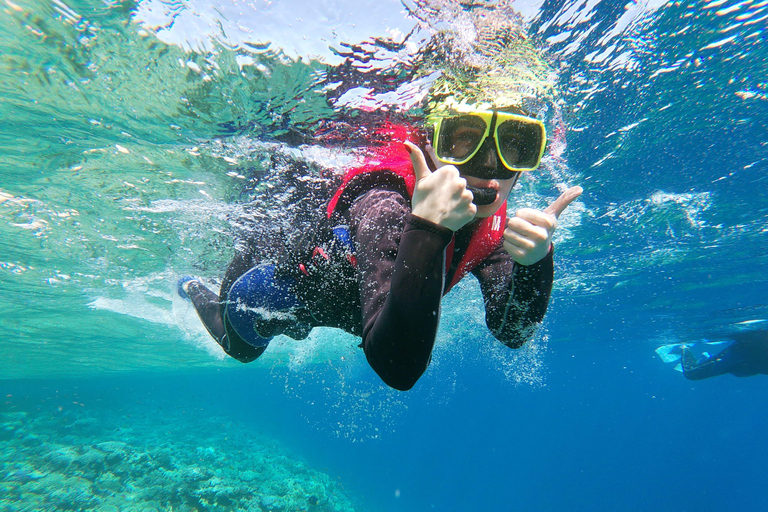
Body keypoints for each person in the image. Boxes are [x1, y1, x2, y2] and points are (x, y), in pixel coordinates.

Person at [178, 101, 582, 391]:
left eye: (516, 146)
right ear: (430, 147)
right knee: (241, 350)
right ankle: (194, 286)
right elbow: (398, 369)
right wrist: (427, 226)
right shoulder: (384, 200)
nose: (490, 168)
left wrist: (535, 263)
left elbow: (511, 331)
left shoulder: (495, 230)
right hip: (278, 290)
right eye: (462, 142)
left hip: (357, 311)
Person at [681, 329, 768, 380]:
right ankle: (685, 347)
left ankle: (685, 347)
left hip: (745, 354)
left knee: (693, 374)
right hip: (745, 353)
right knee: (692, 374)